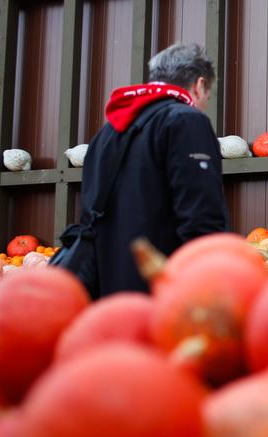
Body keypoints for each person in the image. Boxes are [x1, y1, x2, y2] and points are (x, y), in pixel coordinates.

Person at [76, 43, 231, 297]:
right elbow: (202, 217)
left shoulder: (107, 132)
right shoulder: (186, 120)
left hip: (110, 295)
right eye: (207, 96)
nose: (203, 104)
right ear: (199, 85)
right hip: (164, 292)